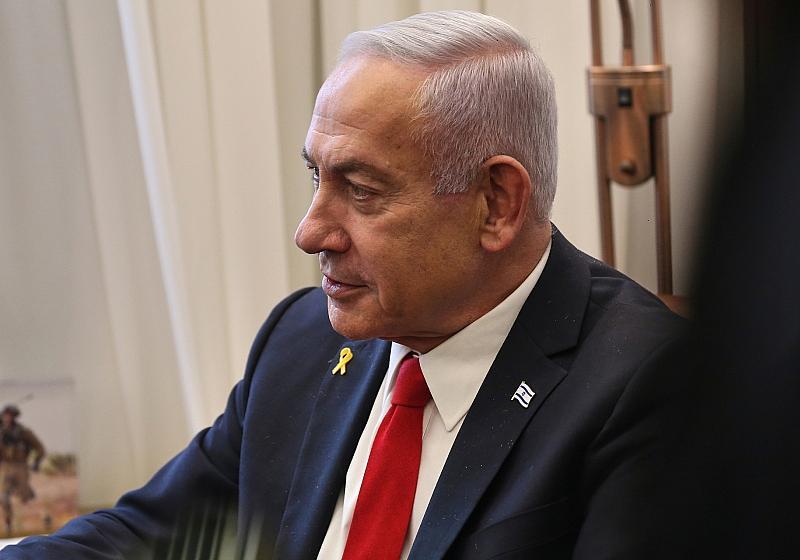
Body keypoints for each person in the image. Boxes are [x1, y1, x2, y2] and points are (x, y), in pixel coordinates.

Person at [3, 11, 685, 560]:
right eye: (316, 177)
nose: (310, 232)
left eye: (361, 190)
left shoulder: (652, 385)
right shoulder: (301, 339)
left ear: (496, 203)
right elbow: (144, 537)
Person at [0, 405, 45, 535]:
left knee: (25, 497)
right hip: (6, 467)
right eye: (5, 415)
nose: (7, 418)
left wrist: (36, 462)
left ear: (14, 417)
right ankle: (8, 523)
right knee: (3, 496)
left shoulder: (24, 432)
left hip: (21, 466)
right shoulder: (1, 432)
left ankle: (35, 521)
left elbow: (40, 448)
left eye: (10, 415)